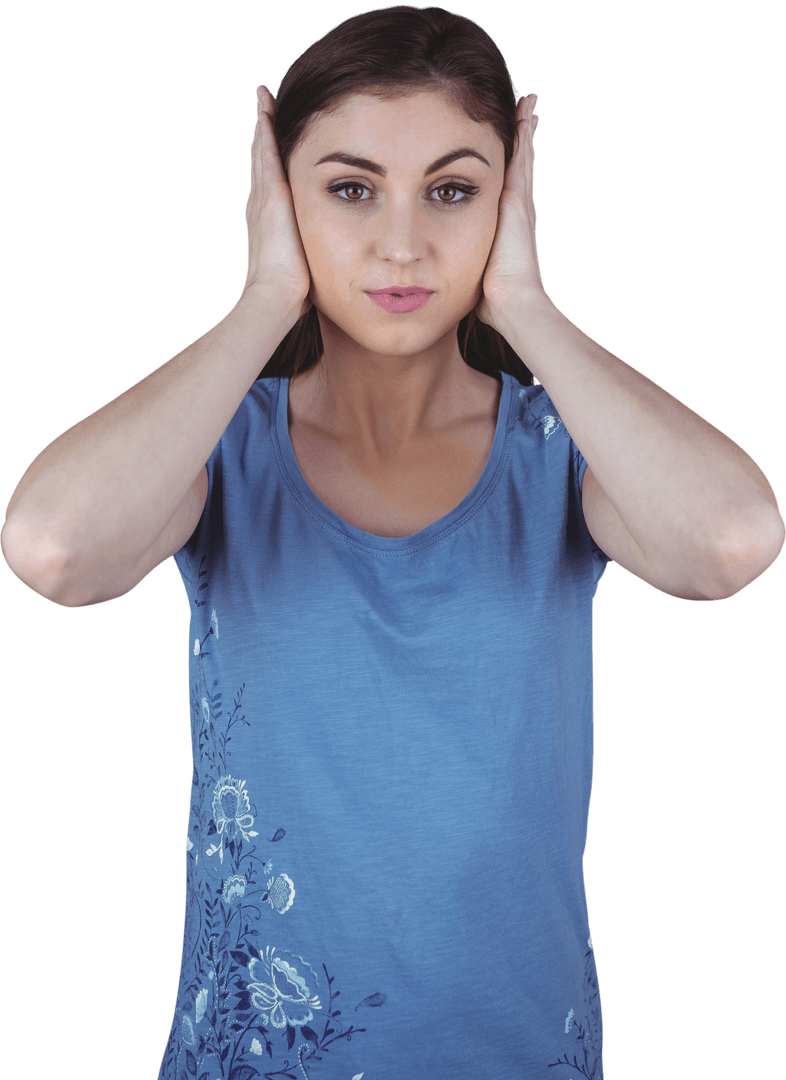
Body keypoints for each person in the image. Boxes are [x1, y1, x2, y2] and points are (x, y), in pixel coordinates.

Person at [1, 6, 783, 1079]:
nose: (403, 243)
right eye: (350, 188)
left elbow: (734, 541)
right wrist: (266, 294)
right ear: (280, 197)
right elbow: (52, 550)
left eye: (455, 190)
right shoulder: (222, 449)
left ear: (511, 197)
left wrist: (526, 302)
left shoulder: (560, 452)